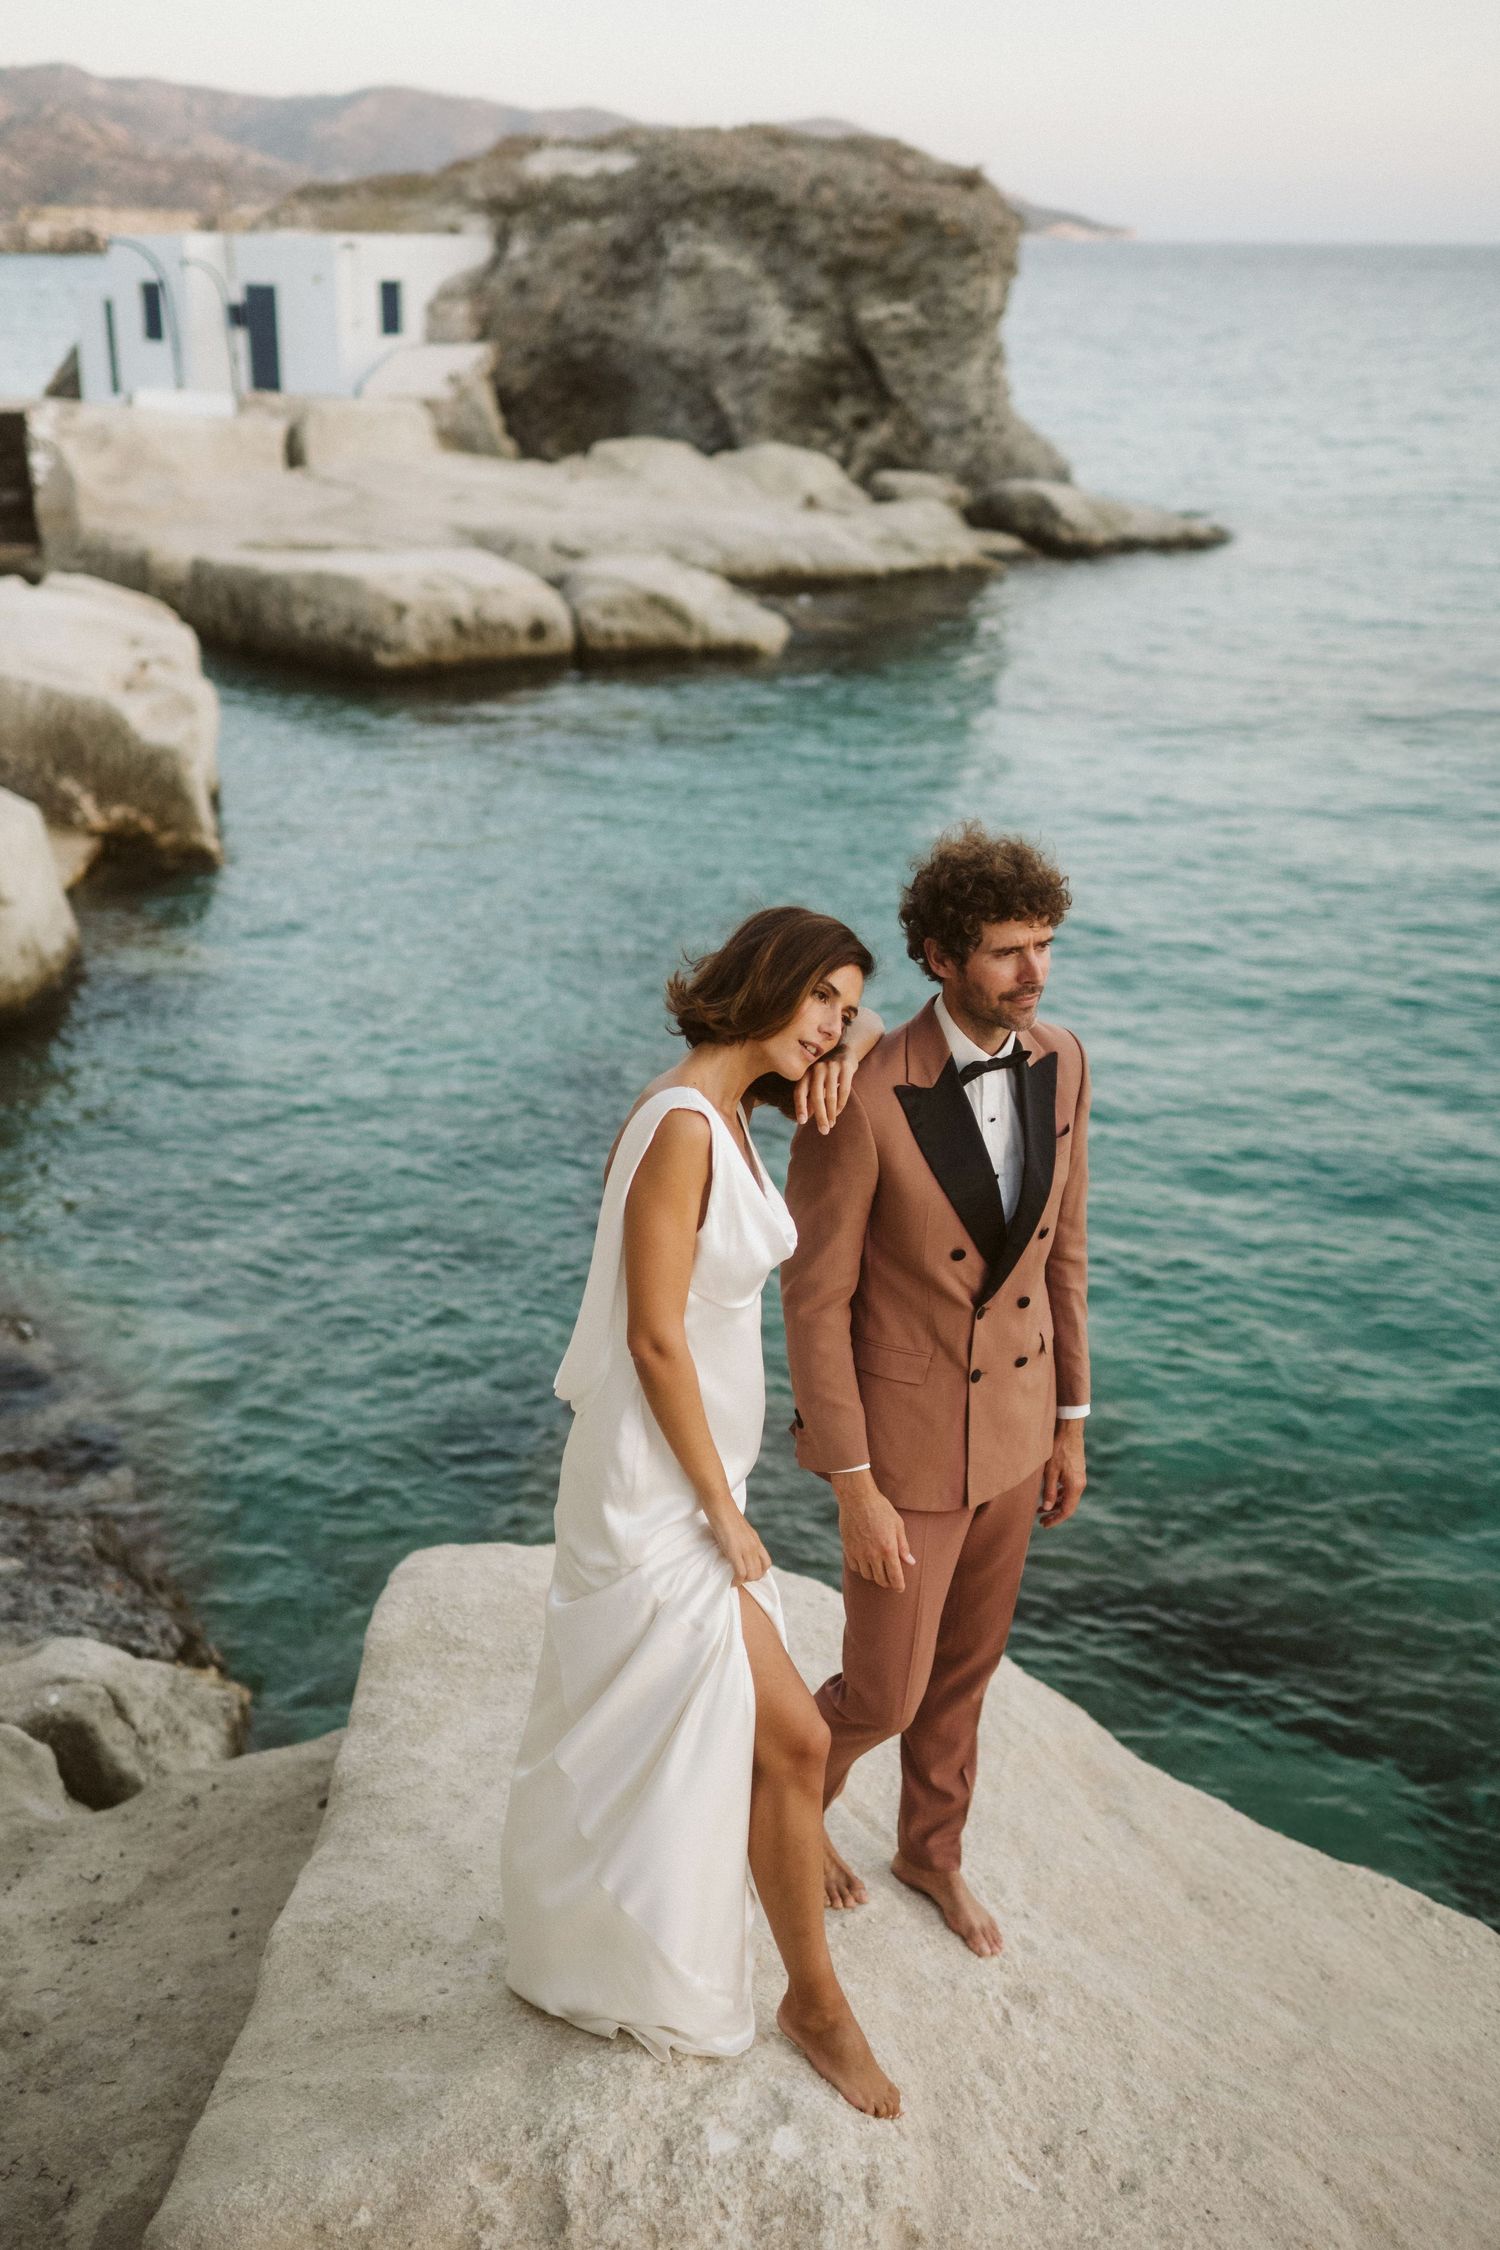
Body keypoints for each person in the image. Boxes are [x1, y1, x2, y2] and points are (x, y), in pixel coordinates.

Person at [502, 906, 903, 2119]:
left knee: (750, 1733)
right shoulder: (682, 1124)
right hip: (658, 1490)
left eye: (843, 1005)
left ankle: (798, 1988)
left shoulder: (732, 1109)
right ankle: (816, 2003)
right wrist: (724, 1511)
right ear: (770, 982)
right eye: (821, 998)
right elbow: (654, 1336)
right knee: (785, 1735)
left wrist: (832, 1043)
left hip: (693, 1479)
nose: (838, 1023)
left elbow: (876, 1029)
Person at [781, 826, 1090, 1958]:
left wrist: (1070, 1424)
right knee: (883, 1692)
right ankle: (784, 1807)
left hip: (1017, 1433)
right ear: (938, 956)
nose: (1034, 972)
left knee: (964, 1675)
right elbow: (814, 1302)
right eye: (1008, 951)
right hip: (905, 1450)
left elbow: (1066, 1256)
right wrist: (850, 1483)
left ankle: (930, 1852)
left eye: (1044, 946)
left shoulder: (1063, 1058)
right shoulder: (860, 1092)